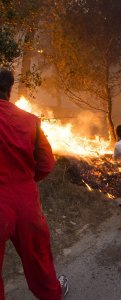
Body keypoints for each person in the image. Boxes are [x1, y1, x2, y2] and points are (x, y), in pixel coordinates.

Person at [0, 69, 68, 299]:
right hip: (26, 200)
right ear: (9, 91)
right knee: (39, 256)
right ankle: (52, 293)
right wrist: (26, 181)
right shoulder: (30, 120)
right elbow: (47, 164)